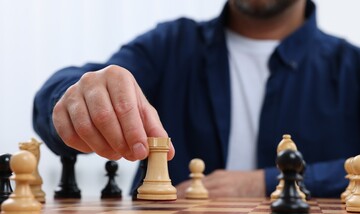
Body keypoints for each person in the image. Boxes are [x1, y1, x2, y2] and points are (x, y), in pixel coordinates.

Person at [33, 0, 360, 198]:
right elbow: (61, 94)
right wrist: (75, 99)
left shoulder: (351, 67)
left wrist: (265, 182)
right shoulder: (169, 45)